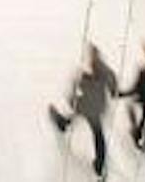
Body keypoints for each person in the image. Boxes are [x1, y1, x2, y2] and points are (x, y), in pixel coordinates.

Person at [47, 45, 119, 178]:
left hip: (84, 106)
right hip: (97, 108)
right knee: (98, 135)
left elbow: (74, 92)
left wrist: (72, 100)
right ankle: (100, 164)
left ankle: (62, 122)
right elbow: (114, 89)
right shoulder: (107, 72)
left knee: (87, 125)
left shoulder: (83, 74)